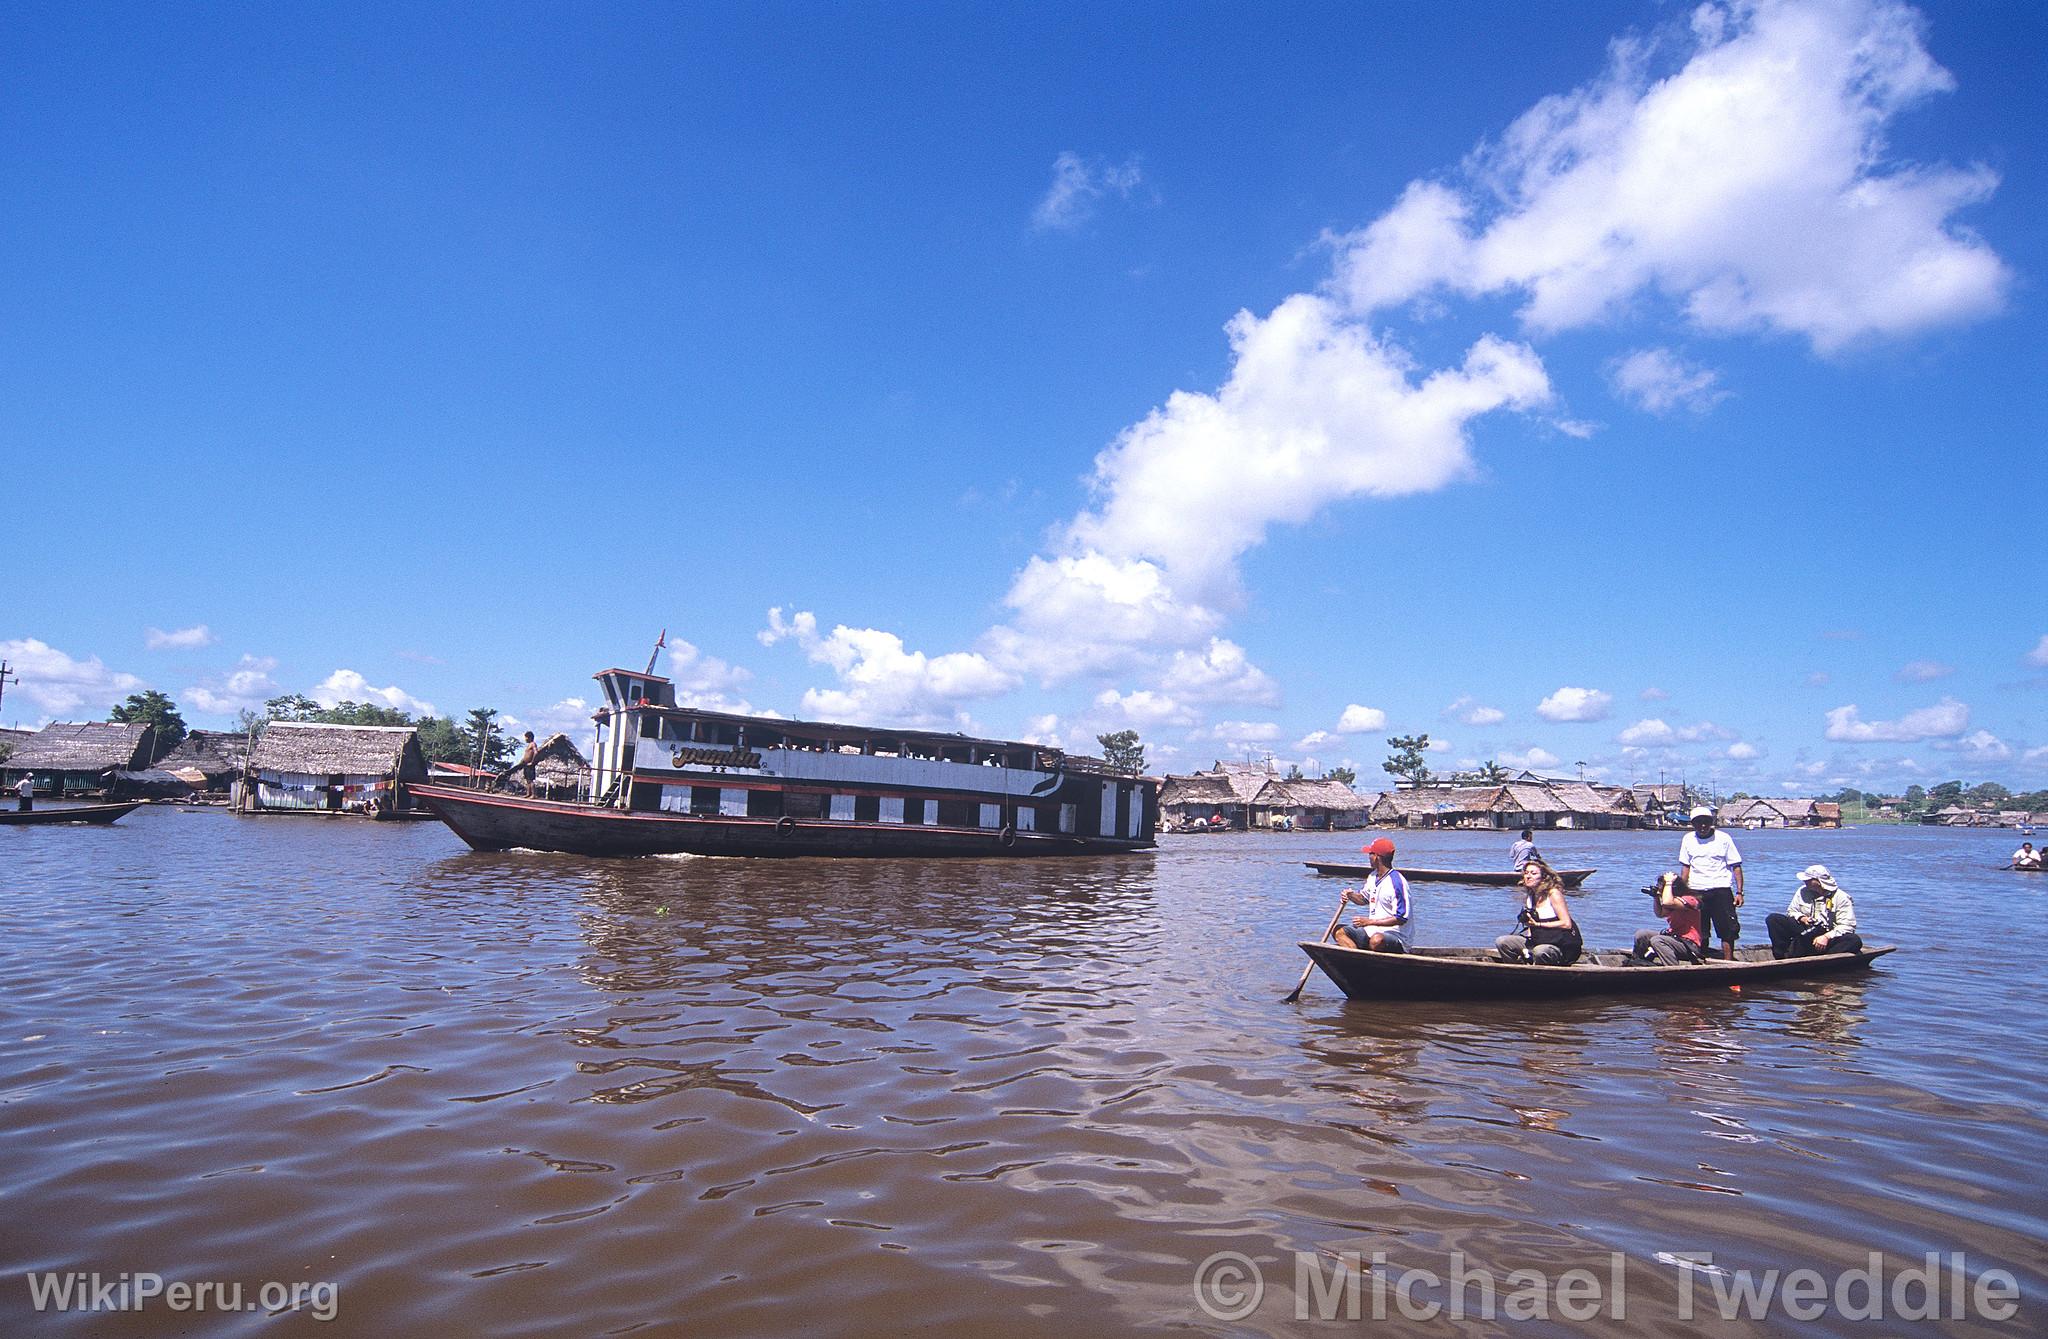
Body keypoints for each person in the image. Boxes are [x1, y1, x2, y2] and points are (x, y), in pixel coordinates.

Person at [1679, 805, 1744, 960]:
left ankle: (1728, 963)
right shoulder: (1688, 839)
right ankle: (1702, 960)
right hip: (1697, 890)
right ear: (1693, 824)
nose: (1703, 826)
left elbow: (1736, 866)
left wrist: (1739, 892)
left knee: (1727, 930)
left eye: (1706, 822)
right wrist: (1682, 891)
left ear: (1711, 822)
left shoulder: (1724, 838)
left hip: (1720, 889)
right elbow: (1686, 867)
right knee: (1700, 930)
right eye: (1699, 822)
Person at [1495, 859, 1582, 965]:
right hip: (1537, 941)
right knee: (1503, 942)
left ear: (1543, 877)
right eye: (1526, 873)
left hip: (1560, 946)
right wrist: (1530, 930)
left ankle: (1543, 974)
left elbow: (1566, 924)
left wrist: (1539, 924)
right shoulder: (1530, 896)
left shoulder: (1553, 894)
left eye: (1533, 873)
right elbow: (1531, 925)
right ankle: (1519, 970)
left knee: (1540, 951)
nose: (1528, 876)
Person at [1767, 865, 1863, 958]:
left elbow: (1848, 926)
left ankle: (1823, 957)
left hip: (1828, 935)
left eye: (1808, 880)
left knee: (1854, 940)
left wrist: (1826, 937)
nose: (1805, 881)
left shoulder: (1841, 897)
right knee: (1774, 919)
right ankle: (1782, 956)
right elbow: (1791, 911)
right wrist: (1802, 918)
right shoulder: (1802, 891)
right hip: (1806, 931)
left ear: (1818, 881)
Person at [1333, 837, 1411, 952]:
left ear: (1376, 857)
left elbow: (1401, 918)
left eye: (1370, 854)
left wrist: (1369, 922)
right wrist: (1350, 895)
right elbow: (1363, 899)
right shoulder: (1372, 877)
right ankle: (1356, 961)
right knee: (1338, 931)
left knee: (1376, 941)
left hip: (1396, 936)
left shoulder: (1397, 882)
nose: (1368, 857)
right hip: (1372, 931)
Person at [1632, 871, 1704, 965]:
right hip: (1674, 938)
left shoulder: (1690, 899)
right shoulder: (1673, 902)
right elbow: (1660, 914)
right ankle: (1638, 962)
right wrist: (1656, 897)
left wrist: (1669, 882)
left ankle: (1672, 969)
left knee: (1657, 940)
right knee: (1641, 934)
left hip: (1689, 945)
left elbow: (1667, 902)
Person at [514, 731, 539, 797]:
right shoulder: (529, 745)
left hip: (530, 765)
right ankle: (528, 794)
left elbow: (536, 752)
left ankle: (533, 794)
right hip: (525, 764)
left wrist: (532, 762)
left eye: (526, 738)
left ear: (530, 737)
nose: (525, 739)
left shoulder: (533, 744)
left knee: (531, 780)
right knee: (527, 780)